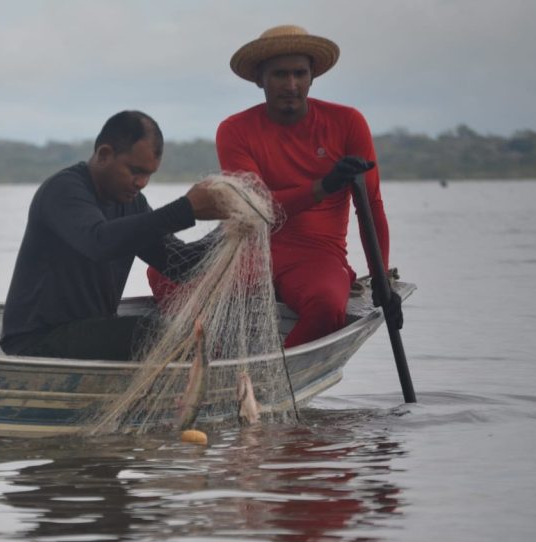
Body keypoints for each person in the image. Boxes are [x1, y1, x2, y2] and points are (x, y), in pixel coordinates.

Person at [149, 25, 402, 347]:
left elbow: (372, 205)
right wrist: (324, 186)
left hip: (317, 253)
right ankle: (206, 350)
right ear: (260, 79)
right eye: (280, 74)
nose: (291, 85)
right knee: (161, 273)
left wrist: (381, 279)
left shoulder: (348, 122)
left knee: (326, 308)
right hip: (249, 248)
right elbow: (256, 208)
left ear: (313, 77)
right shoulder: (235, 129)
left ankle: (273, 380)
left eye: (300, 73)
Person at [0, 110, 231, 361]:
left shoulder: (132, 203)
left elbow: (180, 264)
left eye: (149, 175)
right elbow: (99, 242)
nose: (142, 183)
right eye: (135, 171)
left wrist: (227, 231)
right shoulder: (64, 190)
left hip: (89, 333)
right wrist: (184, 209)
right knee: (149, 332)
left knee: (174, 331)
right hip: (37, 340)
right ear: (104, 155)